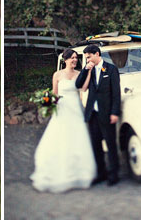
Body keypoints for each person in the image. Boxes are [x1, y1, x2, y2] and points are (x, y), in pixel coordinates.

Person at [32, 49, 96, 192]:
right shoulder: (58, 75)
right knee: (59, 139)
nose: (74, 60)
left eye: (75, 58)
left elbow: (84, 89)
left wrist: (89, 72)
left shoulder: (79, 74)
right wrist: (47, 103)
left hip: (75, 110)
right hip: (62, 109)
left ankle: (78, 173)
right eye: (72, 58)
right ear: (65, 60)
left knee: (77, 139)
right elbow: (55, 94)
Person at [76, 42, 121, 186]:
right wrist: (85, 70)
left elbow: (116, 93)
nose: (88, 60)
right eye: (86, 58)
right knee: (96, 145)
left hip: (107, 112)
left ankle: (114, 174)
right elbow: (78, 85)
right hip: (92, 113)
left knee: (110, 143)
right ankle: (101, 173)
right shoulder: (88, 69)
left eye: (89, 57)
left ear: (97, 54)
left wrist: (115, 112)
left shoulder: (111, 69)